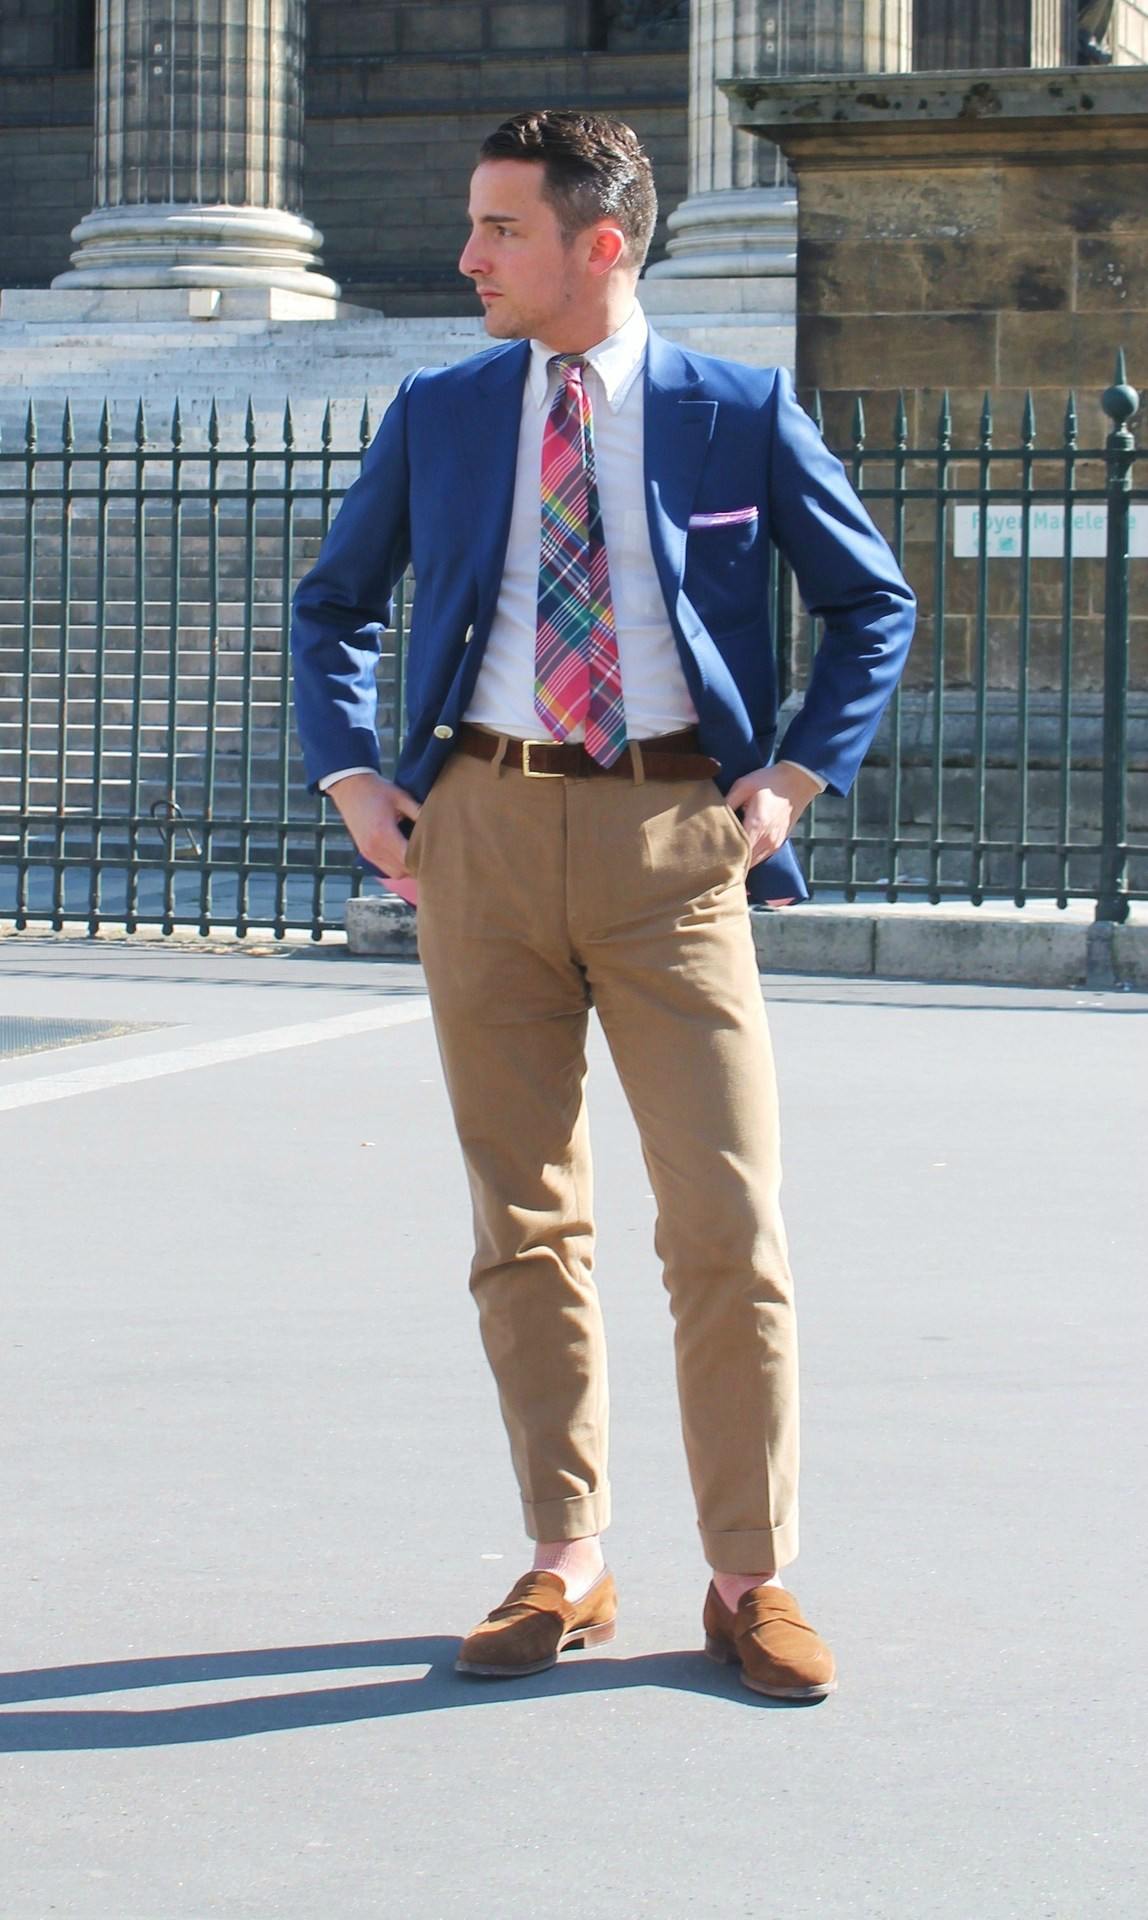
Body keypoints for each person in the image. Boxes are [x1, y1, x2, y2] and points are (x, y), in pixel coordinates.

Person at [291, 110, 914, 1701]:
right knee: (524, 1216)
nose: (467, 255)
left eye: (500, 228)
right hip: (480, 837)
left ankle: (748, 1575)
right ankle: (567, 1557)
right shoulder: (441, 410)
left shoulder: (734, 410)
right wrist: (356, 779)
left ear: (600, 245)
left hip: (670, 844)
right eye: (474, 224)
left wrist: (788, 785)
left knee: (727, 1222)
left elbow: (871, 603)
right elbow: (334, 606)